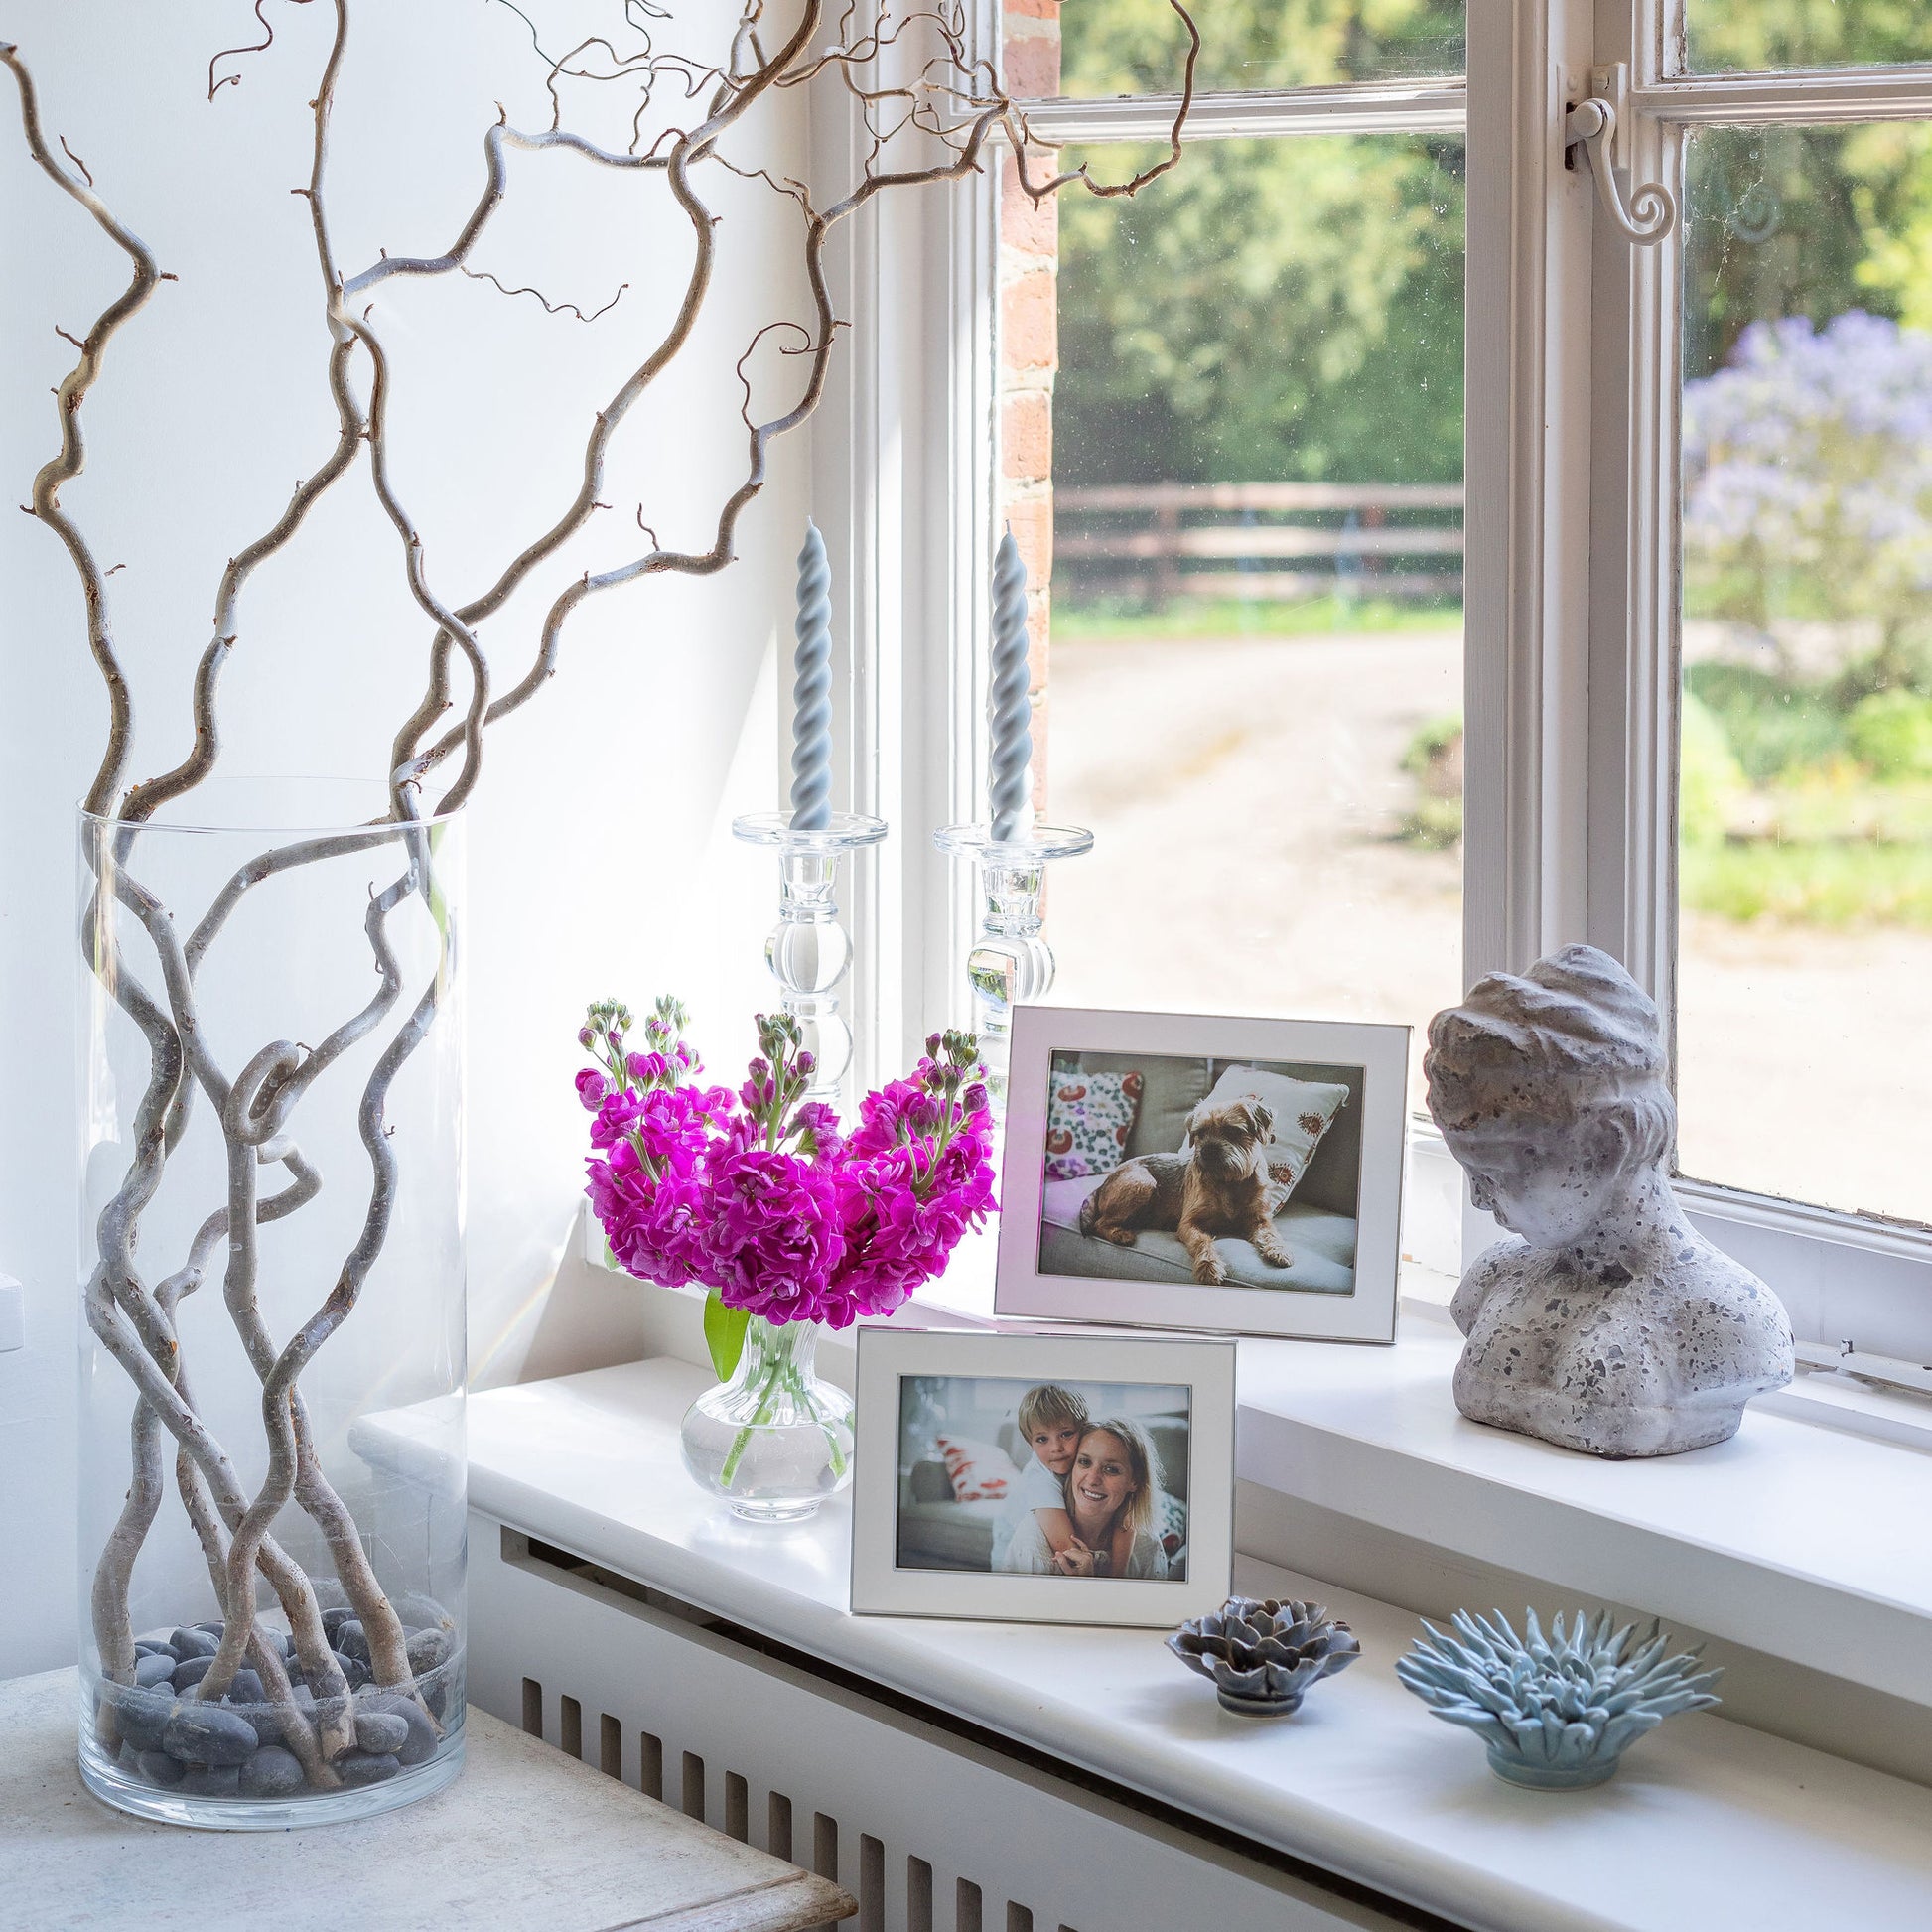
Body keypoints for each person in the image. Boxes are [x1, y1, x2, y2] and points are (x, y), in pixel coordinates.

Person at [1426, 943, 1793, 1457]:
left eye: (1495, 1172)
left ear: (1606, 1145)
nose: (1479, 1200)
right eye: (1469, 1170)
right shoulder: (1492, 1282)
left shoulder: (1731, 1322)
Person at [999, 1417, 1170, 1580]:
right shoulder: (1034, 1540)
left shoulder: (1147, 1545)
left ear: (1134, 1481)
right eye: (1085, 1463)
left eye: (1111, 1469)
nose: (1093, 1479)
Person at [988, 1384, 1086, 1570]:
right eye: (1042, 1439)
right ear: (1030, 1443)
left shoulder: (1082, 1462)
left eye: (1066, 1434)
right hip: (1012, 1551)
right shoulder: (1039, 1480)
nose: (1056, 1447)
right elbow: (1068, 1550)